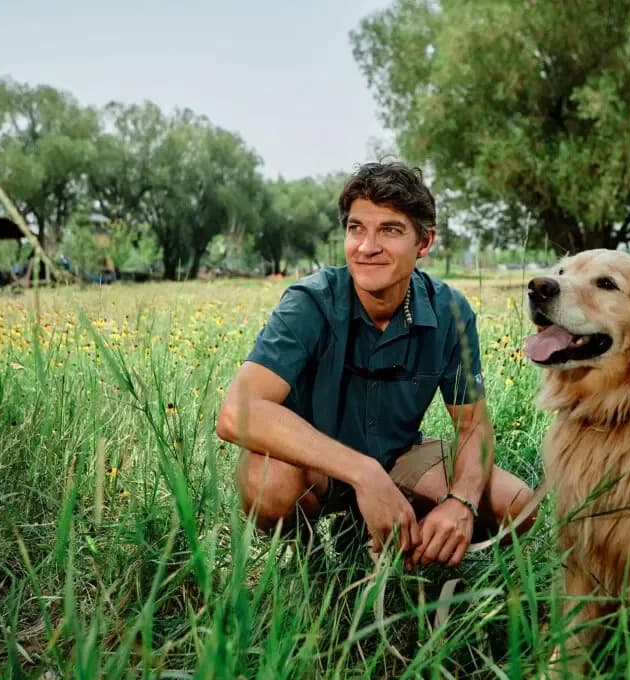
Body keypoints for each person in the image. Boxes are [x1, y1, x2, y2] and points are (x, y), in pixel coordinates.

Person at [216, 162, 535, 568]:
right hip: (315, 466)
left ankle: (409, 545)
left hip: (400, 457)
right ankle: (311, 562)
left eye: (390, 230)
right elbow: (236, 413)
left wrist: (461, 502)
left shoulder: (450, 310)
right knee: (268, 484)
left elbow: (473, 426)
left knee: (515, 503)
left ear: (424, 242)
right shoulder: (310, 302)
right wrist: (364, 473)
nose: (367, 246)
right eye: (356, 228)